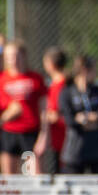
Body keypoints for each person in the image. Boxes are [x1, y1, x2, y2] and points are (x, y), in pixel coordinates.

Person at [0, 41, 45, 175]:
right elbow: (5, 107)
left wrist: (44, 136)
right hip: (9, 132)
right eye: (9, 56)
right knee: (9, 178)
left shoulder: (35, 78)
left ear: (23, 56)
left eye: (16, 55)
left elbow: (44, 110)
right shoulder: (1, 79)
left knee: (33, 174)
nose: (13, 59)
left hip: (30, 133)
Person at [57, 55, 98, 173]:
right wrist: (93, 119)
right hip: (76, 151)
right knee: (71, 186)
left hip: (97, 150)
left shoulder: (96, 91)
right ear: (84, 70)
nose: (97, 73)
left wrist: (85, 118)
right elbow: (70, 120)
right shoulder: (67, 92)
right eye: (95, 70)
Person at [34, 47, 68, 175]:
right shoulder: (56, 84)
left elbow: (54, 114)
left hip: (61, 138)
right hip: (56, 139)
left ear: (50, 64)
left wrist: (44, 116)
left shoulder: (61, 85)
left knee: (62, 174)